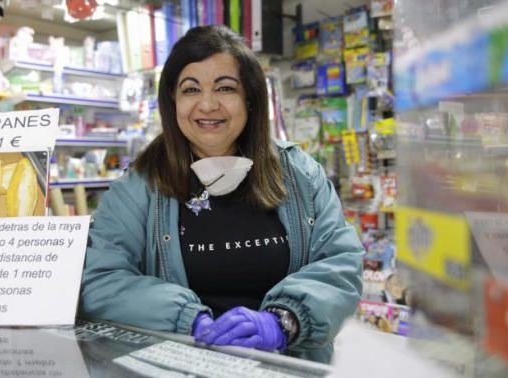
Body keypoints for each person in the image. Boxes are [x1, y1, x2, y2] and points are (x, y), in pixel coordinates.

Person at [80, 25, 364, 364]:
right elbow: (101, 278)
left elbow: (341, 263)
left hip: (288, 367)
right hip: (181, 367)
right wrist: (186, 319)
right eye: (190, 89)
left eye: (225, 87)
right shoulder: (139, 186)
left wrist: (284, 321)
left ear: (250, 98)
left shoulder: (300, 174)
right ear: (173, 100)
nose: (208, 104)